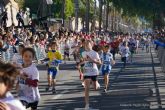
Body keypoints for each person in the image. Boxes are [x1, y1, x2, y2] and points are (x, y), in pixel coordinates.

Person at [78, 40, 101, 109]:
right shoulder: (83, 53)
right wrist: (79, 64)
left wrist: (92, 60)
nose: (87, 46)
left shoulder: (95, 53)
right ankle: (87, 105)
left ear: (91, 45)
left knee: (95, 88)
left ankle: (97, 83)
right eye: (86, 45)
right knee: (86, 88)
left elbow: (99, 62)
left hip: (94, 72)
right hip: (86, 72)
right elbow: (84, 61)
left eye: (88, 45)